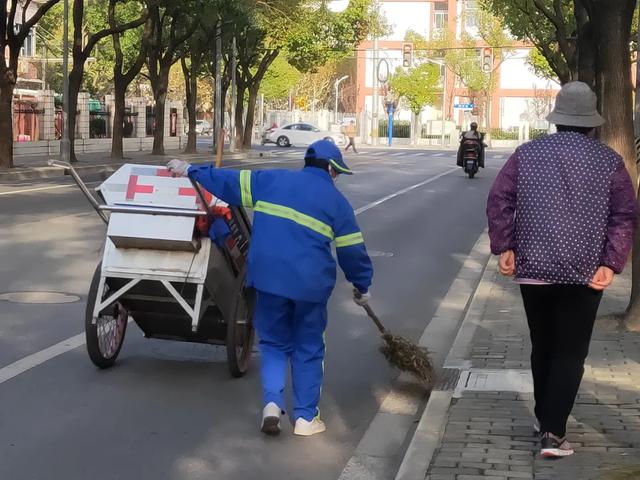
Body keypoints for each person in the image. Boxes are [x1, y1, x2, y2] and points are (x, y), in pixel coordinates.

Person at [167, 140, 374, 437]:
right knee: (308, 348)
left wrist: (191, 169)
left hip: (267, 279)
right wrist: (362, 286)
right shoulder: (338, 204)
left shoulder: (271, 179)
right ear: (330, 169)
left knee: (274, 344)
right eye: (337, 172)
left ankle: (272, 405)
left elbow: (227, 183)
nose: (336, 177)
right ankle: (305, 418)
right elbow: (353, 252)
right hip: (309, 287)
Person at [486, 81, 637, 459]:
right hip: (585, 272)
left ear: (557, 120)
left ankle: (544, 416)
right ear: (592, 122)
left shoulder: (526, 154)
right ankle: (553, 433)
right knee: (570, 352)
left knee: (544, 346)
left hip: (533, 266)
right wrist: (611, 262)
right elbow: (625, 214)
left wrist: (505, 246)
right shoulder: (609, 162)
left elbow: (499, 198)